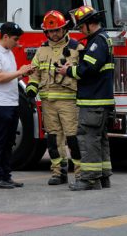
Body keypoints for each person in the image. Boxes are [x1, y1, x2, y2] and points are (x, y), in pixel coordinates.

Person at [56, 5, 115, 191]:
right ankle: (103, 177)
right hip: (101, 101)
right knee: (99, 139)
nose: (80, 30)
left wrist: (68, 71)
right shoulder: (103, 39)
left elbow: (87, 70)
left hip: (93, 101)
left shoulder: (97, 42)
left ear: (90, 24)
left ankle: (89, 179)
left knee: (88, 139)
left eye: (82, 26)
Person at [26, 10, 83, 185]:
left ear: (64, 28)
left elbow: (85, 73)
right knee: (53, 139)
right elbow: (34, 73)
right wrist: (30, 88)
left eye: (57, 30)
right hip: (48, 101)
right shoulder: (42, 50)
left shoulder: (76, 48)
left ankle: (80, 173)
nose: (54, 34)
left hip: (69, 101)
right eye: (50, 31)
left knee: (73, 138)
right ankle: (59, 172)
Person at [0, 22, 34, 189]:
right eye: (15, 39)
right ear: (5, 36)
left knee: (8, 142)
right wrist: (20, 72)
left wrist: (22, 73)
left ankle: (5, 175)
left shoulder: (8, 53)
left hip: (11, 102)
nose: (17, 43)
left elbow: (9, 77)